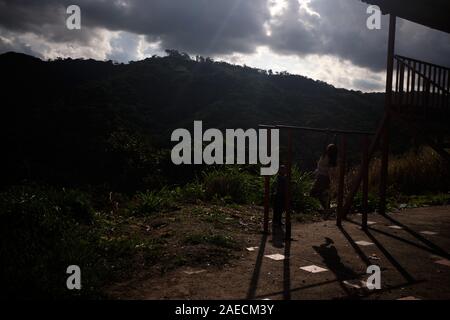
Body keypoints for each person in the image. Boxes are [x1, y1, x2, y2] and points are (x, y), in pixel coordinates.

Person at [310, 144, 338, 211]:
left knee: (314, 193)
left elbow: (328, 170)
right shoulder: (326, 156)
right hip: (322, 177)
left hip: (322, 177)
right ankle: (326, 208)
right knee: (320, 193)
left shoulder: (329, 158)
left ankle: (326, 208)